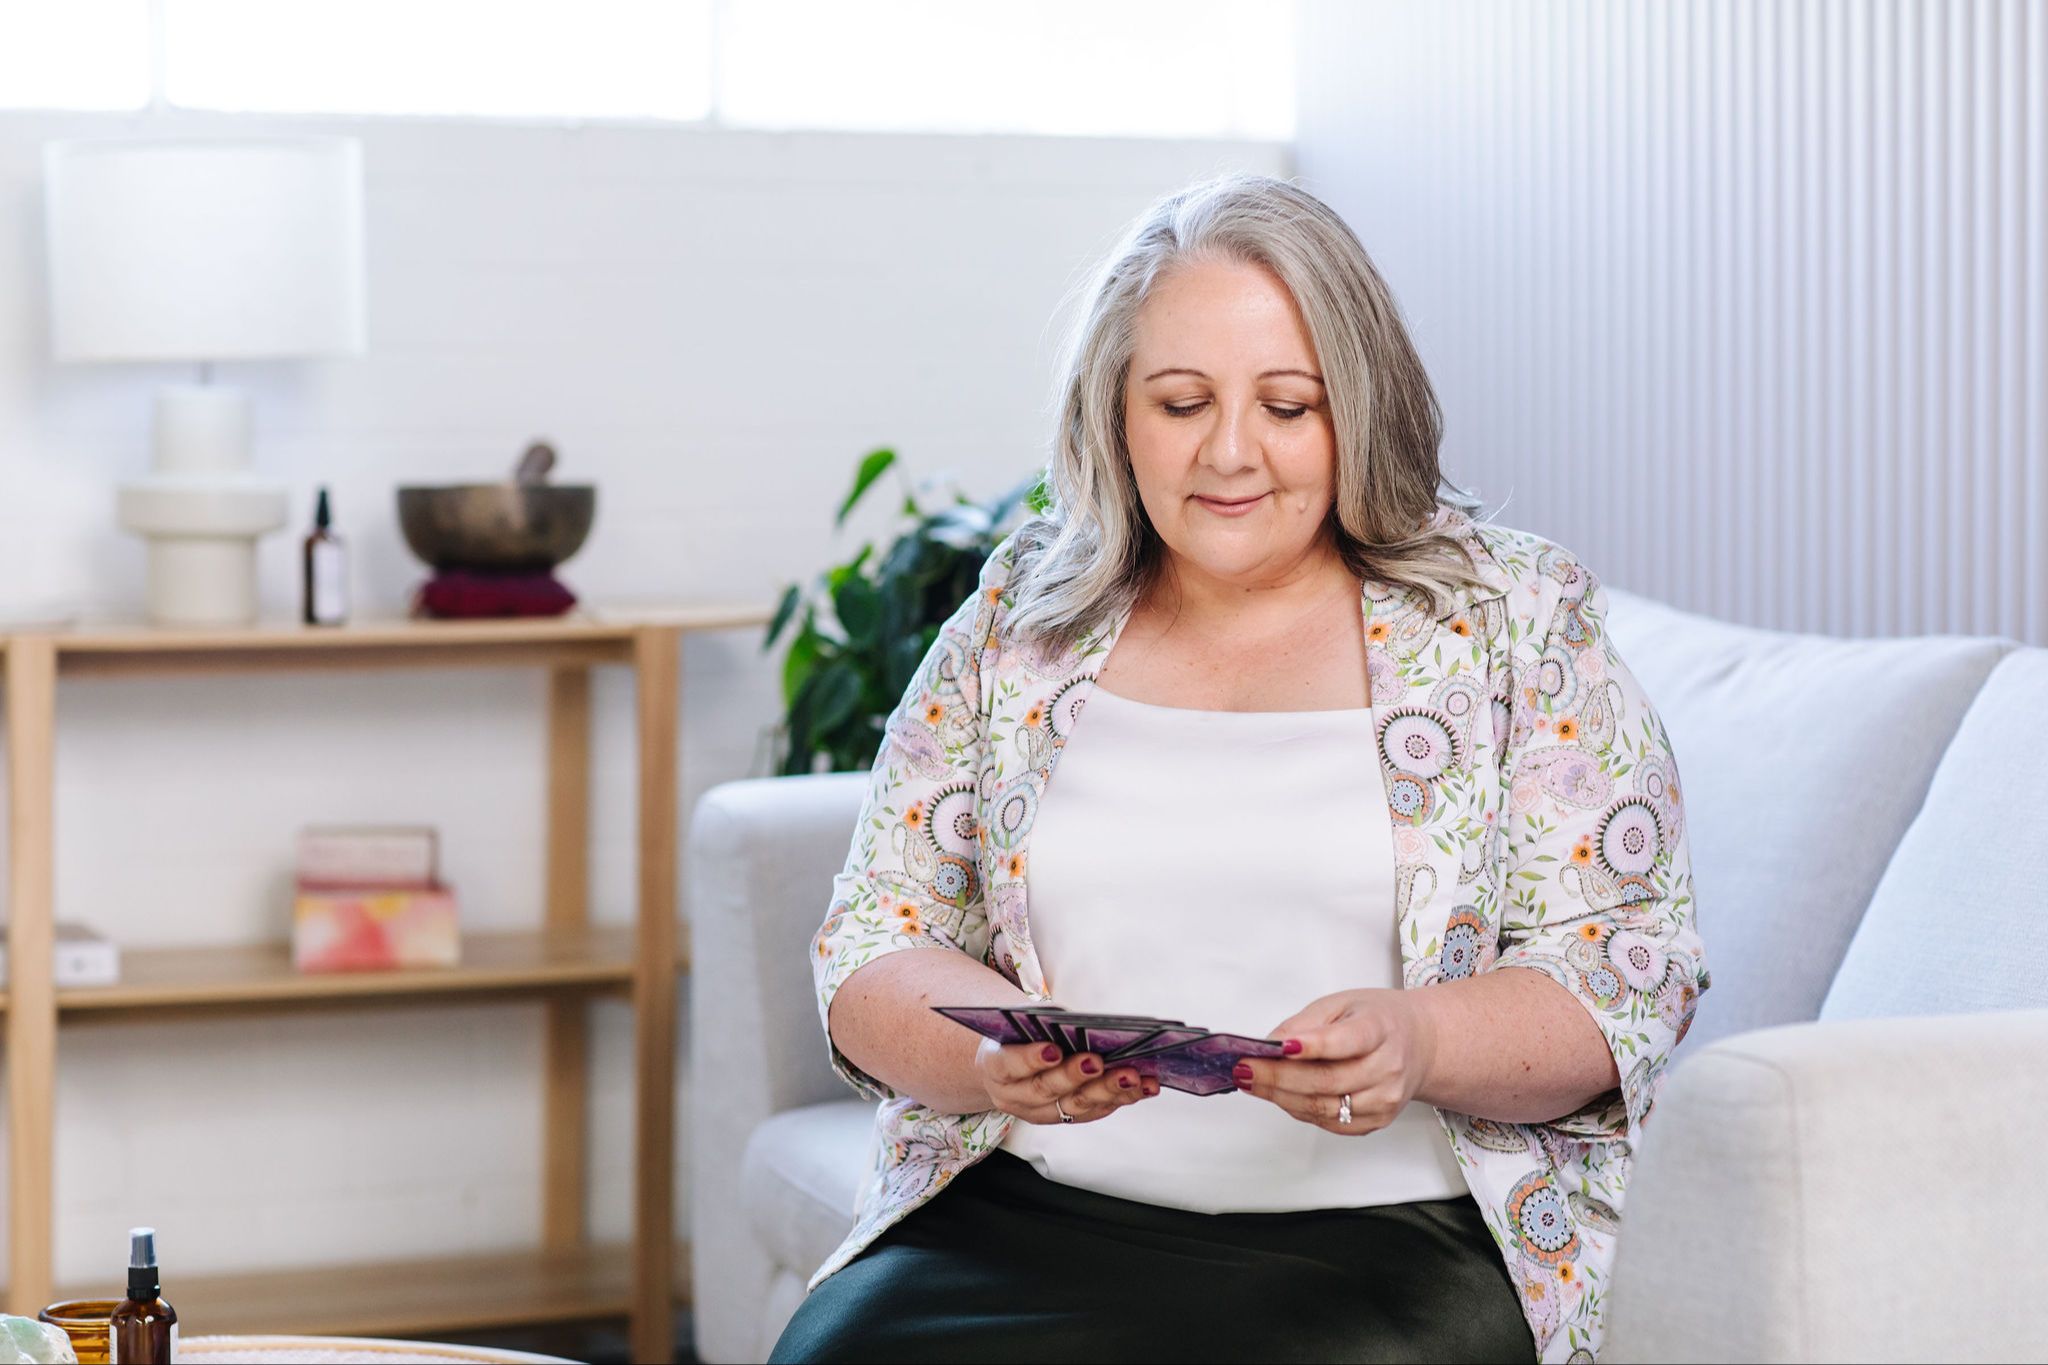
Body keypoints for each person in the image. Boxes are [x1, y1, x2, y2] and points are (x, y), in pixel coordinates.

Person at [771, 171, 1709, 1365]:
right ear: (1115, 413)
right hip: (1026, 1212)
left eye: (1285, 404)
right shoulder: (1022, 618)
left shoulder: (1514, 618)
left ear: (1356, 409)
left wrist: (1419, 1040)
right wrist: (987, 1064)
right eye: (1179, 402)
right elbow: (870, 942)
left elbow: (1627, 972)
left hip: (1407, 1236)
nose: (1229, 453)